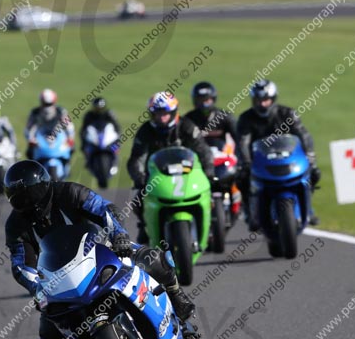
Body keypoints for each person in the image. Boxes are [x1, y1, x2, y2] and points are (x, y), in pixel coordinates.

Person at [3, 160, 196, 339]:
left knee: (152, 259)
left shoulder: (68, 191)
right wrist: (36, 287)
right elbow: (21, 264)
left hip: (100, 249)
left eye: (31, 193)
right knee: (50, 332)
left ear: (44, 184)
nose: (29, 201)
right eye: (20, 197)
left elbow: (103, 208)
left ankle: (176, 295)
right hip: (61, 277)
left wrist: (119, 235)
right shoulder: (15, 225)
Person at [127, 92, 216, 243]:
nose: (161, 117)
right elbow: (136, 158)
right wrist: (140, 177)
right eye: (157, 113)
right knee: (138, 201)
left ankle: (210, 225)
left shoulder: (187, 126)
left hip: (187, 174)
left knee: (209, 196)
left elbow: (203, 150)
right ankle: (145, 226)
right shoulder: (145, 131)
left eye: (165, 113)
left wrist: (208, 170)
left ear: (173, 112)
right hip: (156, 177)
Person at [235, 79, 321, 230]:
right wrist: (246, 163)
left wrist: (310, 157)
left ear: (273, 99)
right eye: (259, 100)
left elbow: (304, 135)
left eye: (266, 100)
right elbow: (243, 142)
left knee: (314, 173)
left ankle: (308, 209)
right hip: (260, 161)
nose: (262, 104)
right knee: (242, 179)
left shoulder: (287, 114)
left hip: (287, 159)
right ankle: (250, 212)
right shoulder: (246, 118)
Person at [181, 81, 238, 149]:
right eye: (200, 100)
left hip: (222, 156)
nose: (203, 104)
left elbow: (239, 138)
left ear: (213, 99)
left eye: (207, 100)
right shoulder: (188, 119)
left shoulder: (225, 117)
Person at [24, 88, 75, 160]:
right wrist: (31, 139)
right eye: (45, 104)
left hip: (58, 137)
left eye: (49, 104)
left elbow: (69, 126)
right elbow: (28, 129)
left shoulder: (61, 111)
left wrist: (70, 138)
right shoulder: (35, 113)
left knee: (71, 149)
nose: (47, 107)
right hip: (40, 139)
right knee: (30, 153)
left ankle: (66, 168)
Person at [80, 97, 121, 162]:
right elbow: (83, 130)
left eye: (100, 108)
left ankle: (115, 160)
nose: (99, 110)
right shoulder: (89, 115)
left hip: (107, 137)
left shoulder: (109, 114)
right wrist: (83, 143)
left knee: (115, 147)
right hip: (93, 137)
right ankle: (88, 161)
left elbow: (117, 128)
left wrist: (118, 140)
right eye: (97, 108)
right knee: (86, 148)